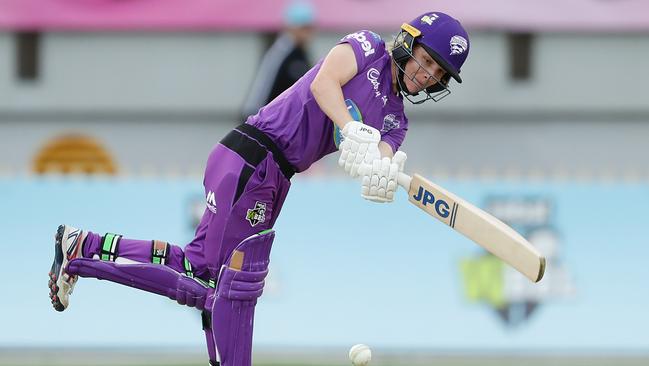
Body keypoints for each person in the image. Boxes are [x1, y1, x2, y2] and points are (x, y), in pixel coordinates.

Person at [48, 11, 470, 366]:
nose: (427, 75)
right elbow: (325, 83)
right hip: (252, 154)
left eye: (438, 73)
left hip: (275, 175)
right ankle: (82, 254)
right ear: (407, 43)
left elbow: (376, 155)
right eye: (426, 60)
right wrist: (350, 127)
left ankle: (84, 245)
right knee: (218, 283)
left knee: (227, 280)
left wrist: (378, 173)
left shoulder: (397, 121)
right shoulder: (367, 47)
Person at [240, 1, 315, 120]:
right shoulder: (282, 51)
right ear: (291, 28)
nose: (308, 34)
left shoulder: (302, 53)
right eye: (304, 28)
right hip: (269, 123)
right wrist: (253, 119)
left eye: (310, 28)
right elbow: (263, 88)